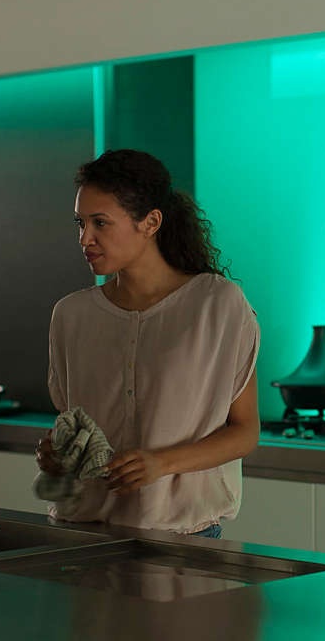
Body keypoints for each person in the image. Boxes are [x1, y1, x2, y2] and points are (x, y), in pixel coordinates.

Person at [35, 149, 261, 537]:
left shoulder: (217, 305)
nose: (85, 238)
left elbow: (244, 432)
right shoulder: (70, 315)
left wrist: (161, 463)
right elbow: (75, 427)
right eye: (80, 223)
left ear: (151, 222)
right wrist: (59, 453)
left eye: (100, 223)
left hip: (182, 534)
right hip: (82, 532)